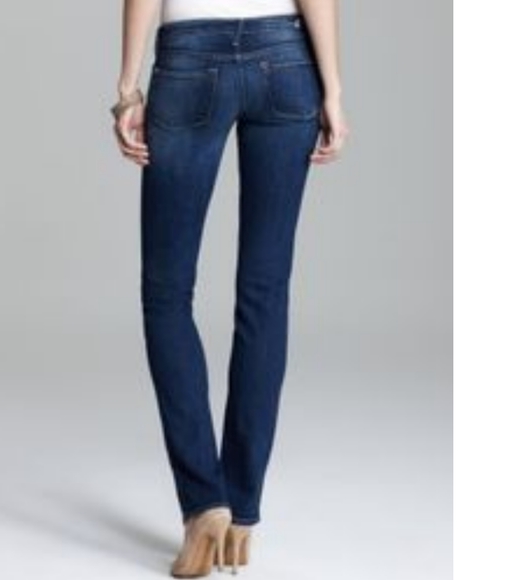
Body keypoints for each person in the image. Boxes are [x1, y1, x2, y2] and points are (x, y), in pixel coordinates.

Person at [111, 0, 348, 576]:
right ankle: (241, 509)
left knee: (167, 294)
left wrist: (127, 89)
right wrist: (334, 89)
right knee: (266, 292)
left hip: (189, 61)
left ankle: (205, 504)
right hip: (287, 59)